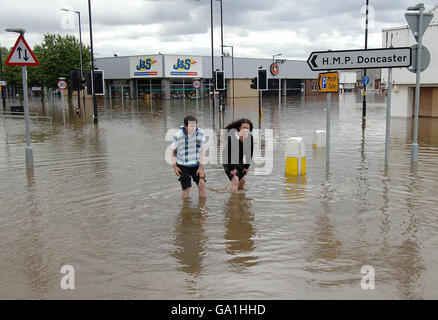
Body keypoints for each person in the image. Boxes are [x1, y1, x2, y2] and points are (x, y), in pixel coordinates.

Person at [171, 115, 207, 199]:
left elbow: (203, 150)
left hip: (196, 164)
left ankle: (203, 208)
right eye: (191, 126)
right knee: (186, 188)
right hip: (182, 165)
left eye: (195, 126)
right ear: (185, 125)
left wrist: (201, 167)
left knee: (202, 183)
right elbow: (172, 151)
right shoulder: (178, 135)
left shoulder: (200, 133)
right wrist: (175, 167)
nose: (193, 129)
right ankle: (186, 209)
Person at [222, 118, 254, 192]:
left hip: (239, 161)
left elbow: (250, 152)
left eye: (247, 128)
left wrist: (247, 166)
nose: (245, 130)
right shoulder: (232, 137)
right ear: (240, 128)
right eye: (244, 128)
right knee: (235, 180)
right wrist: (232, 168)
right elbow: (226, 154)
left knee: (243, 180)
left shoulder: (250, 138)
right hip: (228, 161)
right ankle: (233, 201)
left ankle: (240, 199)